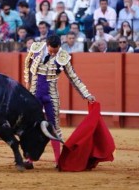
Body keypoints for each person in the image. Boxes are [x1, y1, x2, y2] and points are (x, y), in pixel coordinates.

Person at [24, 35, 96, 168]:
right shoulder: (35, 48)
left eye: (55, 52)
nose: (53, 54)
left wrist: (86, 94)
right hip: (34, 94)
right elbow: (27, 63)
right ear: (47, 44)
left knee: (54, 127)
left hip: (51, 96)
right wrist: (27, 81)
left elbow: (73, 77)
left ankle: (58, 161)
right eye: (51, 51)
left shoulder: (63, 57)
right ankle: (30, 160)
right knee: (32, 126)